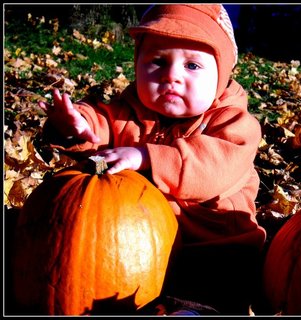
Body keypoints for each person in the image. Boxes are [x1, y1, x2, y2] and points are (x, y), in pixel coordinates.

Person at [39, 4, 266, 315]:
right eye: (158, 62)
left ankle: (194, 311)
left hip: (212, 242)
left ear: (221, 75)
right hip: (141, 242)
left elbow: (212, 167)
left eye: (193, 66)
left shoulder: (233, 124)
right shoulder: (130, 109)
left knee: (219, 281)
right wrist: (79, 125)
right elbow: (104, 122)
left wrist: (145, 156)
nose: (171, 76)